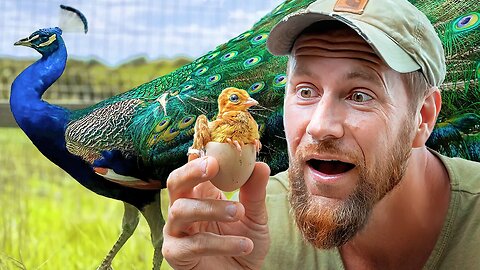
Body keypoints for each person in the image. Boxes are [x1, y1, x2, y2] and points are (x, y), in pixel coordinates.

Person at [161, 0, 480, 269]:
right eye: (305, 91)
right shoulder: (245, 232)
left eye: (360, 95)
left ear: (422, 118)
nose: (319, 126)